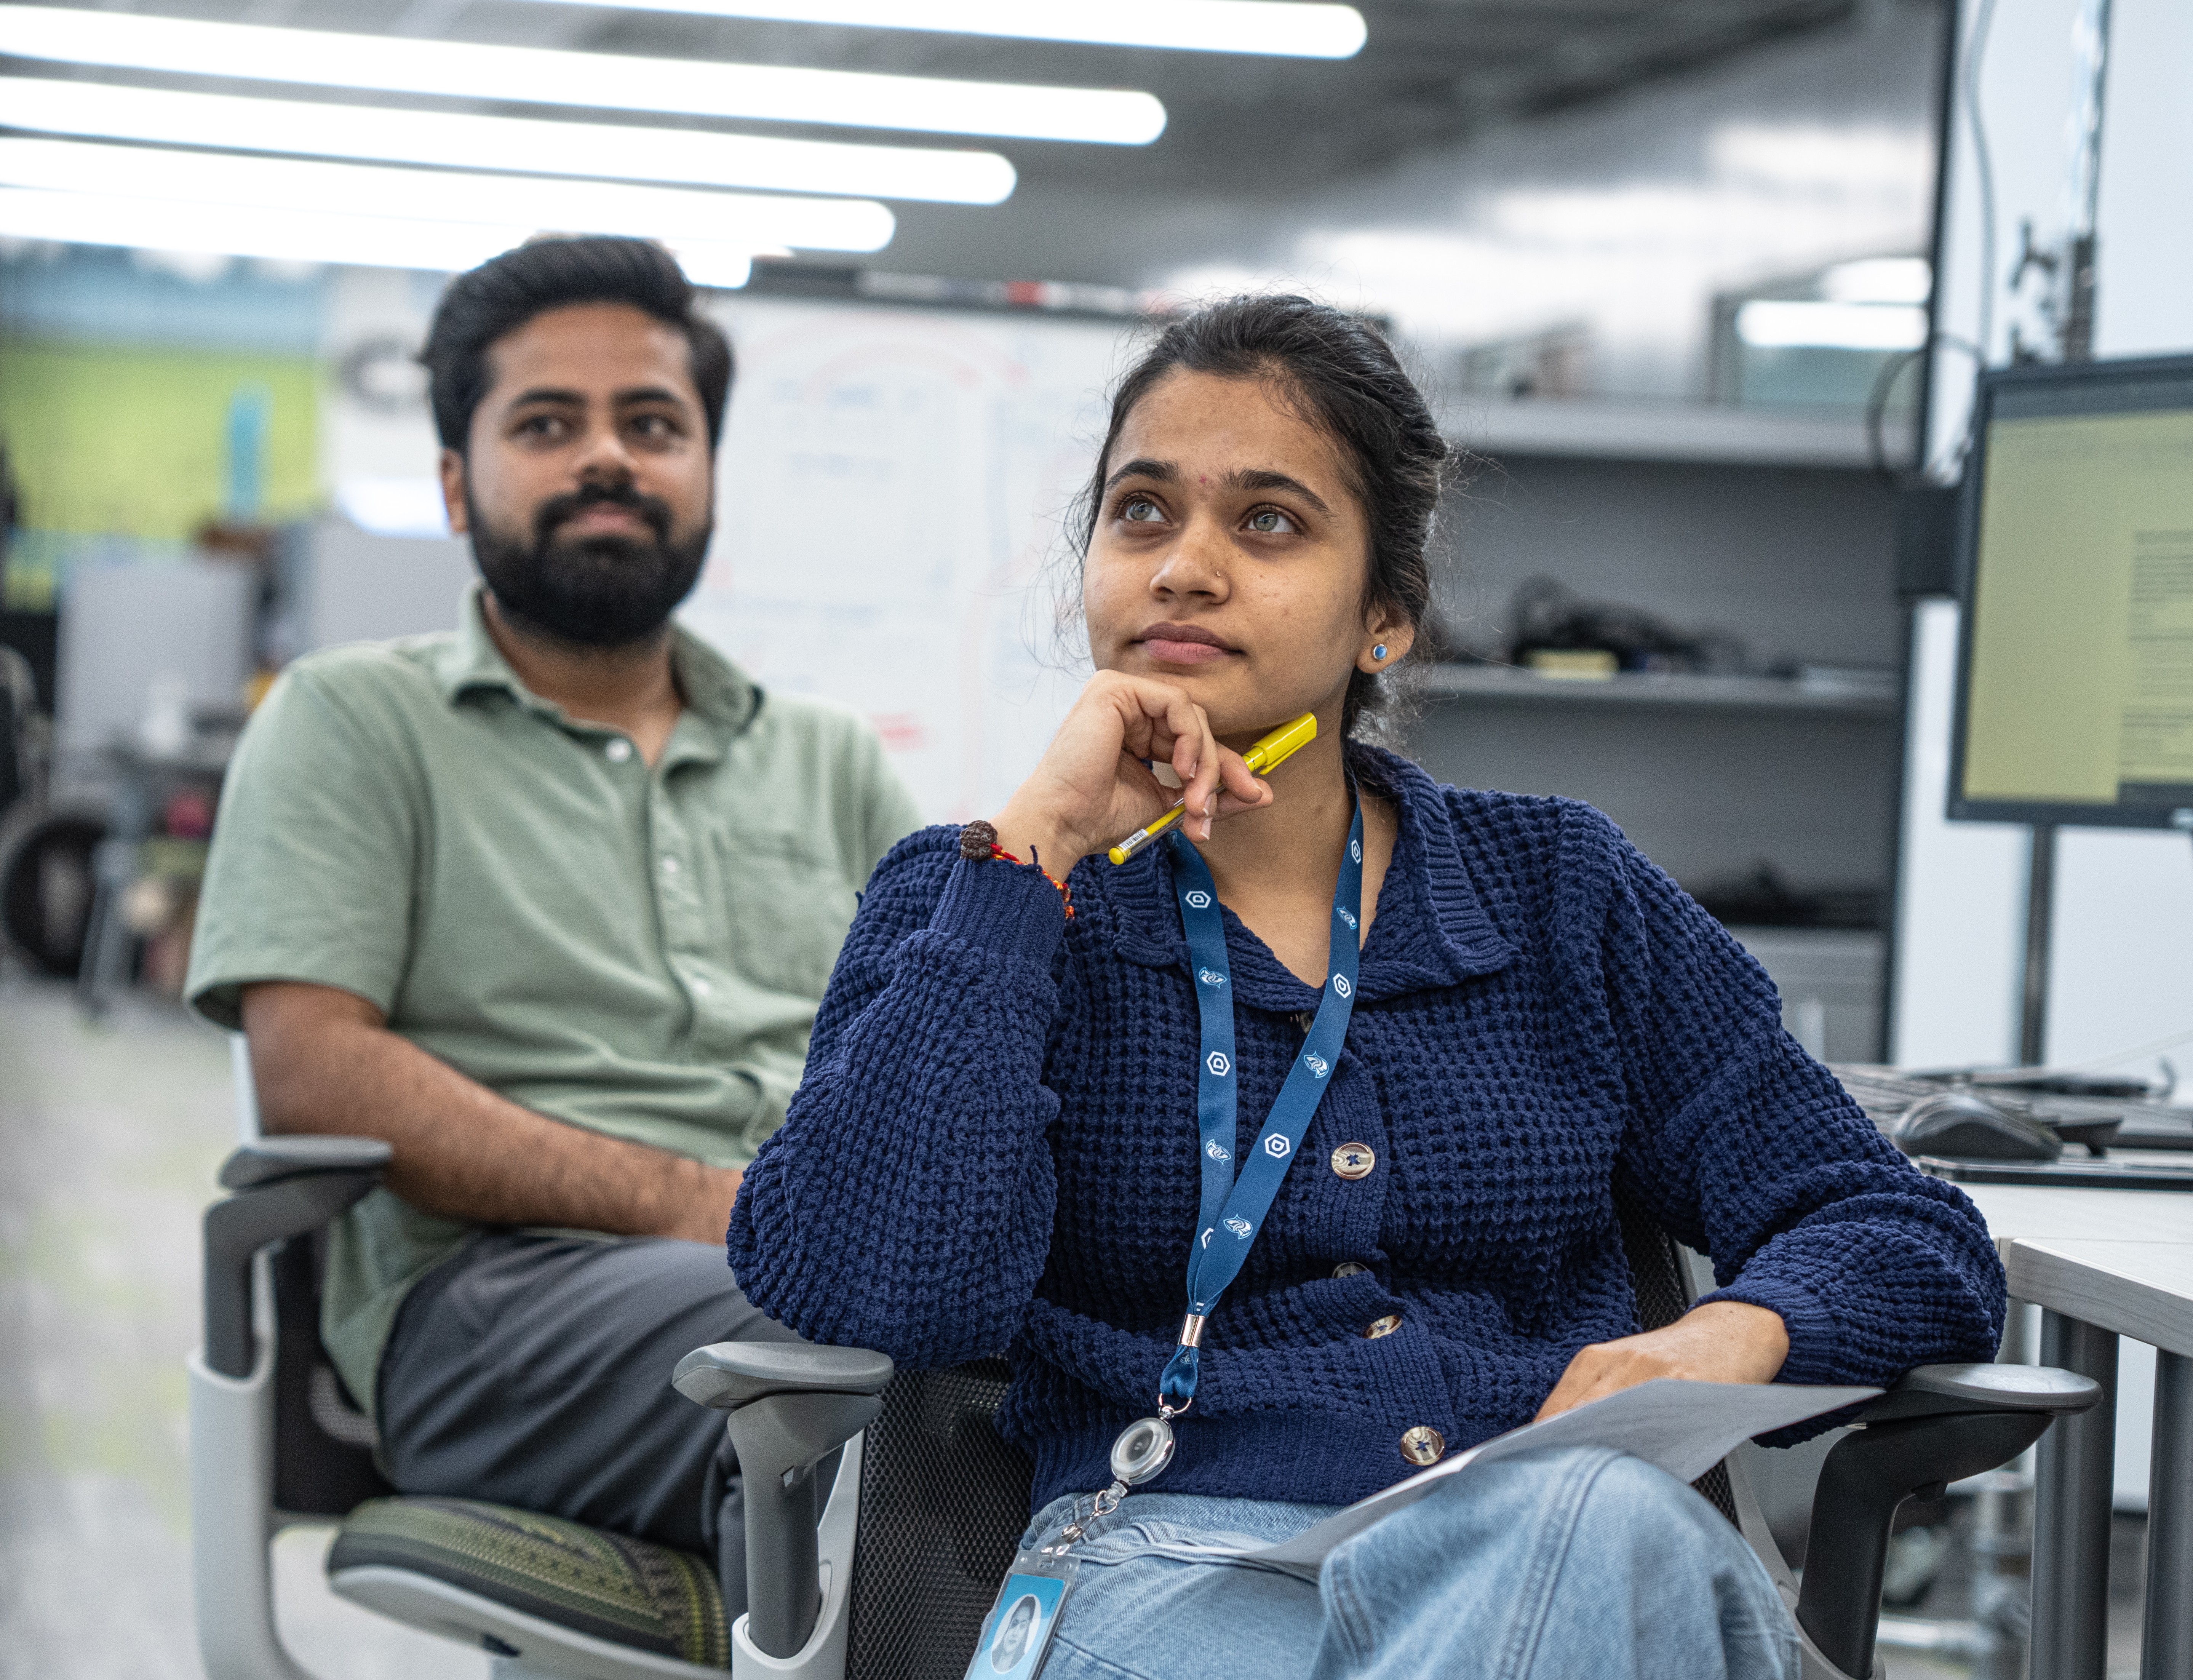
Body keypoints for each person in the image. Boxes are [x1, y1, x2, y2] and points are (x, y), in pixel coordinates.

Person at [728, 294, 2006, 1679]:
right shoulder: (975, 898)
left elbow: (1898, 1225)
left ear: (1385, 616)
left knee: (1596, 1528)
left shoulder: (1560, 892)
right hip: (1168, 1572)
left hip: (1549, 1545)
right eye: (1142, 513)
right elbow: (873, 1288)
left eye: (1268, 521)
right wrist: (1034, 850)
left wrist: (1731, 1332)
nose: (1184, 568)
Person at [186, 236, 921, 1608]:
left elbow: (948, 1050)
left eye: (653, 424)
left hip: (797, 1275)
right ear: (459, 486)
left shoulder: (832, 759)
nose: (609, 458)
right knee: (869, 1354)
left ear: (705, 473)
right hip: (493, 1308)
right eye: (547, 423)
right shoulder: (353, 721)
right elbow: (314, 1073)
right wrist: (719, 1209)